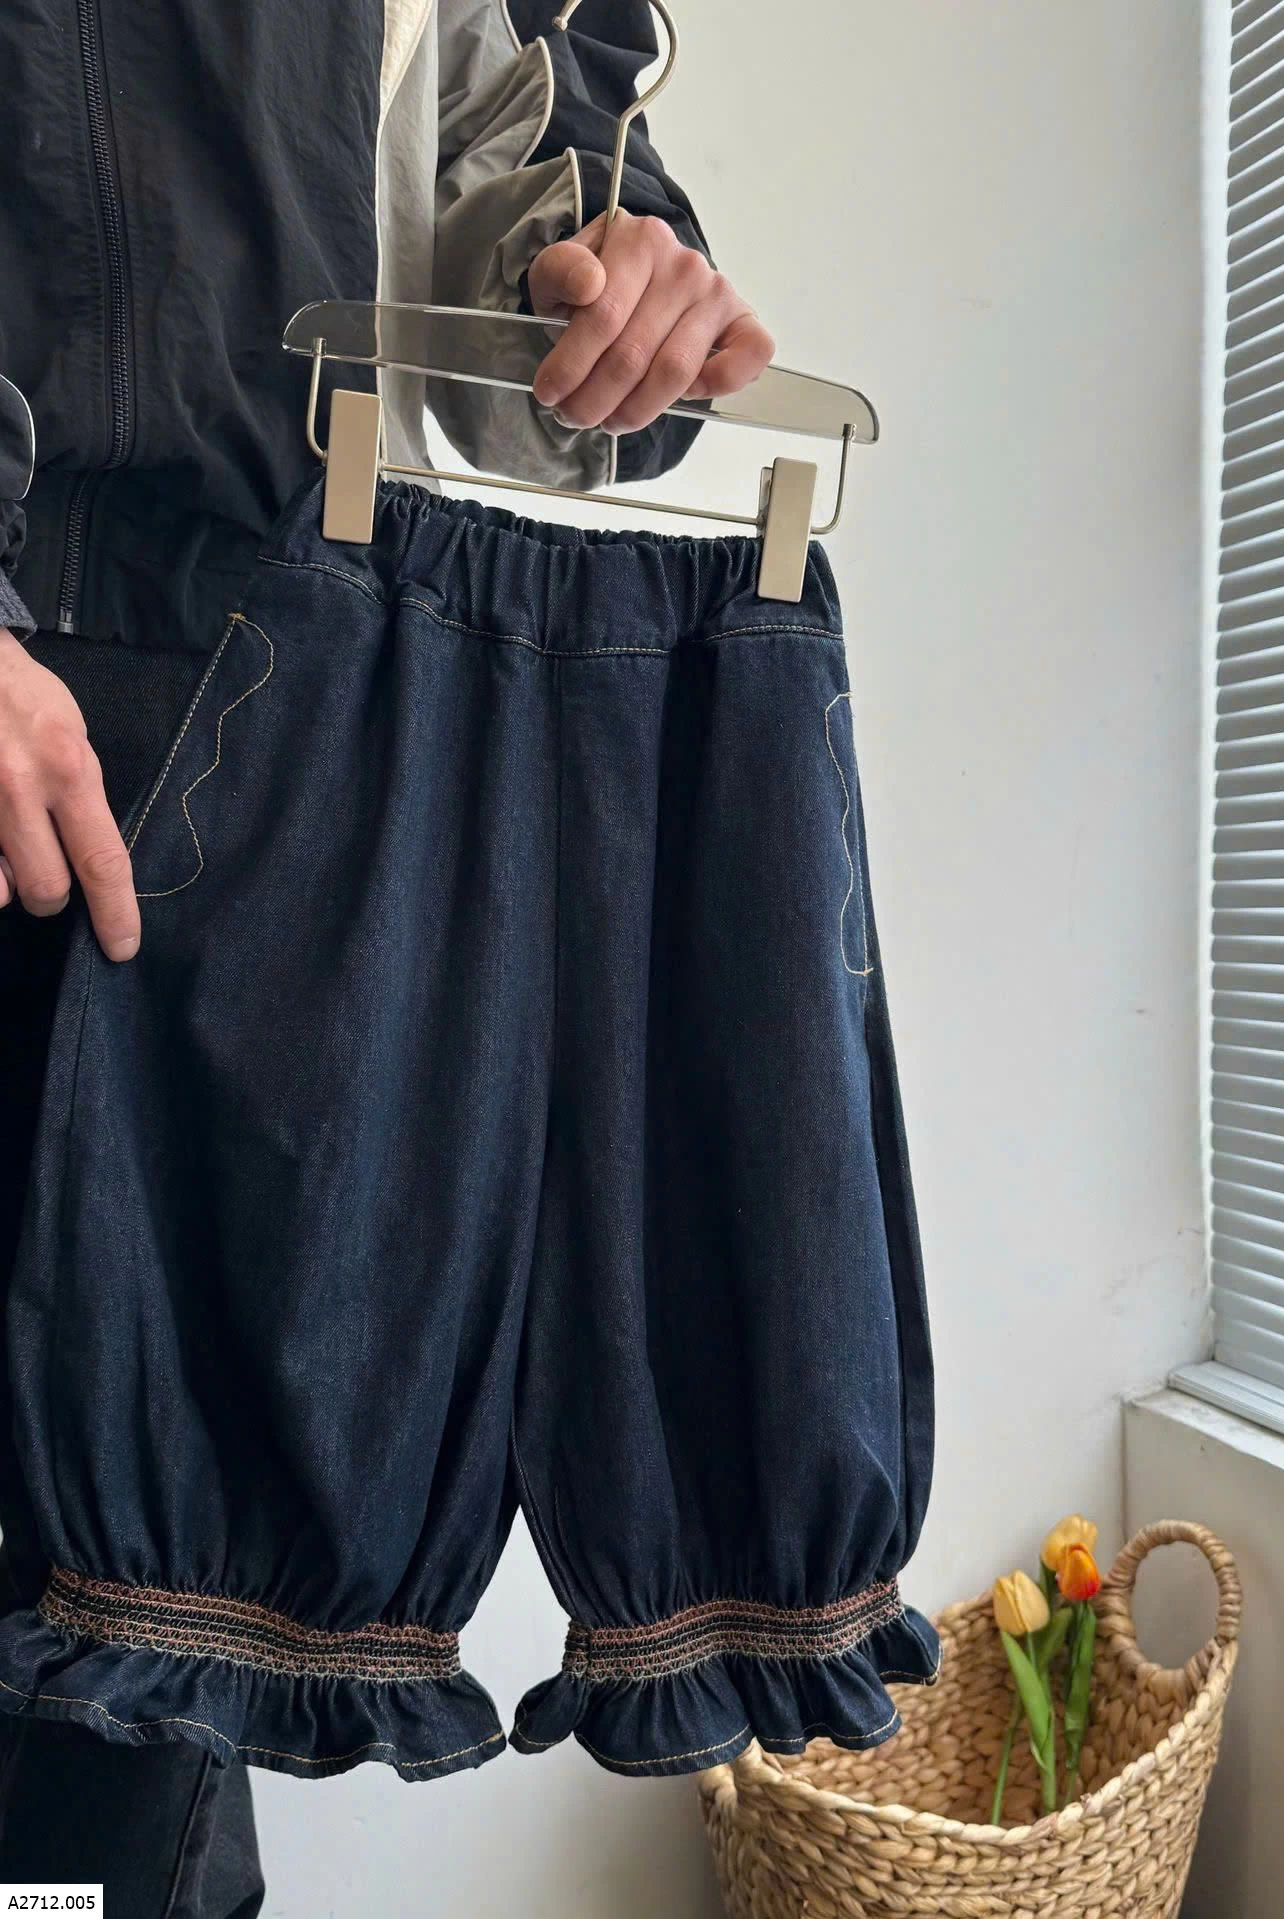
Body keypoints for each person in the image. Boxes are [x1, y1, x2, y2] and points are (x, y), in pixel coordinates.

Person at [0, 2, 772, 1905]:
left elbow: (496, 157)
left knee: (135, 1695)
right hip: (62, 653)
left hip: (261, 700)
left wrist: (610, 287)